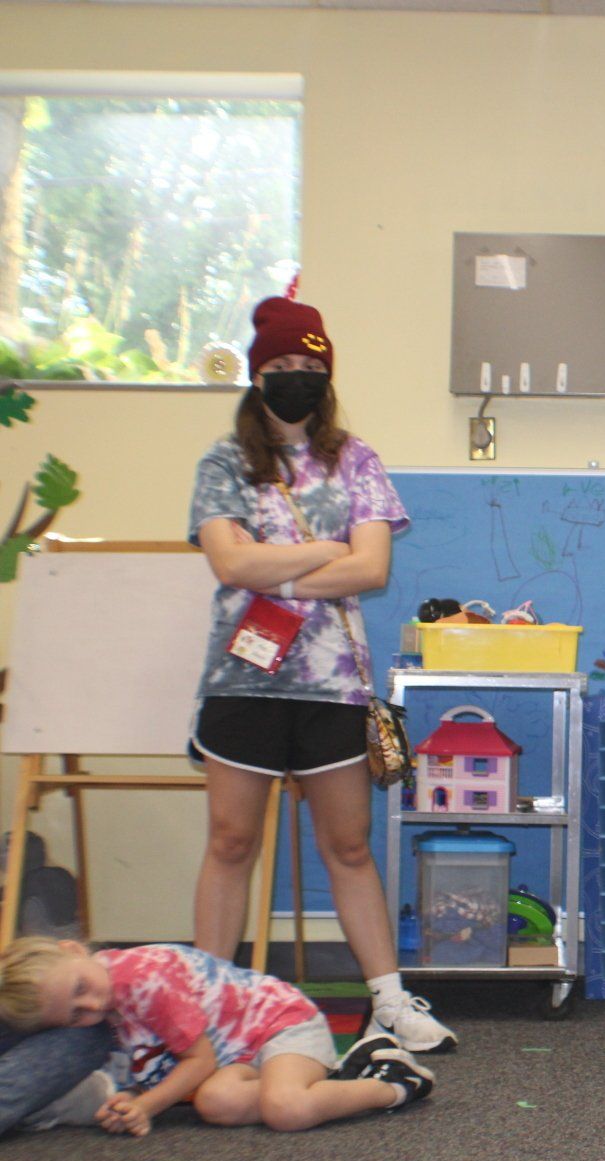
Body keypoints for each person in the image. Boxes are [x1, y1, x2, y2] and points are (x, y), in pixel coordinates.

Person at [188, 295, 454, 1054]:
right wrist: (323, 555)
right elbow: (229, 562)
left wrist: (282, 573)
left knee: (348, 846)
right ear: (256, 374)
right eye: (280, 366)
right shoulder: (224, 461)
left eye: (309, 366)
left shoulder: (356, 459)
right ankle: (212, 1008)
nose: (296, 378)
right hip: (242, 682)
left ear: (327, 375)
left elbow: (371, 568)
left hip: (333, 685)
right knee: (231, 842)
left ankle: (390, 1002)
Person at [0, 937, 434, 1133]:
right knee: (214, 1103)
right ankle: (336, 1079)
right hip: (238, 1055)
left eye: (81, 990)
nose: (90, 1009)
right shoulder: (106, 996)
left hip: (280, 1024)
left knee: (286, 1109)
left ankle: (392, 1084)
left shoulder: (144, 981)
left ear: (74, 949)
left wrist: (146, 1105)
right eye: (74, 1016)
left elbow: (199, 1061)